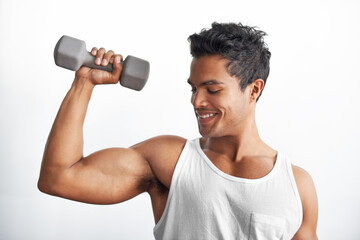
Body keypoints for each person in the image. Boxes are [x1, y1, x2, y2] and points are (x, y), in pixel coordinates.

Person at [38, 22, 318, 239]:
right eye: (194, 88)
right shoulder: (170, 160)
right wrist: (84, 83)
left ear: (254, 90)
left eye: (212, 89)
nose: (197, 101)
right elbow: (59, 178)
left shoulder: (297, 187)